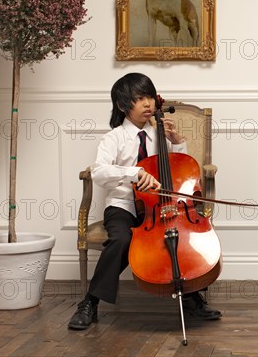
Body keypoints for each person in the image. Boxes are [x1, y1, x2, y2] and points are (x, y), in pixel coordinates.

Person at [69, 73, 221, 330]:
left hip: (162, 207)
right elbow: (99, 172)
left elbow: (181, 171)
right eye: (139, 99)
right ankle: (90, 302)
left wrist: (178, 143)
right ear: (122, 105)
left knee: (178, 238)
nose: (148, 104)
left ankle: (191, 297)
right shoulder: (113, 138)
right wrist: (133, 173)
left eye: (149, 97)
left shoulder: (160, 135)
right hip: (124, 206)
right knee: (121, 240)